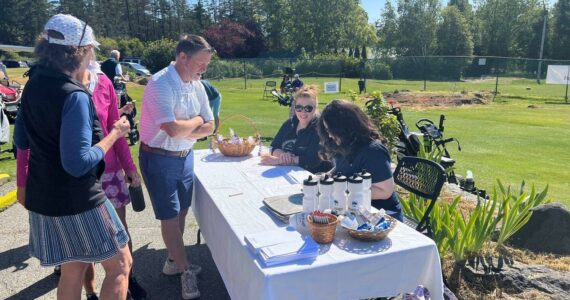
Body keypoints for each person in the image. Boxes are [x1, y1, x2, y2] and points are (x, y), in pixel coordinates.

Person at [14, 14, 132, 299]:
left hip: (44, 196)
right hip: (78, 199)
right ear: (78, 51)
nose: (92, 55)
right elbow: (77, 163)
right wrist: (115, 133)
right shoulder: (74, 95)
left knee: (73, 268)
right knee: (120, 266)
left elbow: (22, 140)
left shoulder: (34, 83)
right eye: (90, 48)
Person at [139, 34, 215, 300]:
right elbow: (171, 129)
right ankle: (185, 271)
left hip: (185, 156)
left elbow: (212, 124)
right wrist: (196, 122)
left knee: (182, 211)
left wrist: (190, 126)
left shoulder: (198, 85)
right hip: (159, 157)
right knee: (170, 215)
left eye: (206, 64)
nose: (204, 69)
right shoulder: (160, 82)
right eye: (200, 63)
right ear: (182, 57)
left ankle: (173, 261)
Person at [78, 60, 146, 299]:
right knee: (84, 239)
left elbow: (115, 129)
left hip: (110, 170)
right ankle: (91, 291)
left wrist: (130, 167)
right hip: (78, 175)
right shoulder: (59, 82)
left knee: (120, 232)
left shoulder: (103, 81)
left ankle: (129, 280)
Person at [316, 99, 403, 221]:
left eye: (331, 130)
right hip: (353, 210)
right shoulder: (344, 143)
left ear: (346, 128)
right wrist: (328, 176)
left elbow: (385, 191)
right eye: (327, 130)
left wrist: (344, 189)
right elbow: (344, 167)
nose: (329, 135)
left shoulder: (373, 151)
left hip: (381, 215)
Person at [261, 85, 332, 174]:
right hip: (288, 174)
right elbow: (274, 147)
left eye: (308, 108)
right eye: (299, 107)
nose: (303, 112)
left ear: (315, 108)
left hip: (314, 179)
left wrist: (281, 161)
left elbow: (313, 160)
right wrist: (282, 155)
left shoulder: (321, 128)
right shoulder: (289, 124)